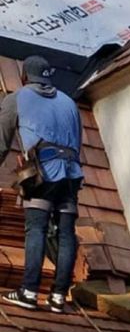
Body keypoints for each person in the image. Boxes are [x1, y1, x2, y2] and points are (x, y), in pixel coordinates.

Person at [1, 55, 84, 313]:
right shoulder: (70, 102)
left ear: (25, 76)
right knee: (66, 233)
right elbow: (77, 143)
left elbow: (1, 143)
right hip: (72, 174)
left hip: (44, 173)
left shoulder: (17, 98)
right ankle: (58, 297)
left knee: (36, 229)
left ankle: (28, 292)